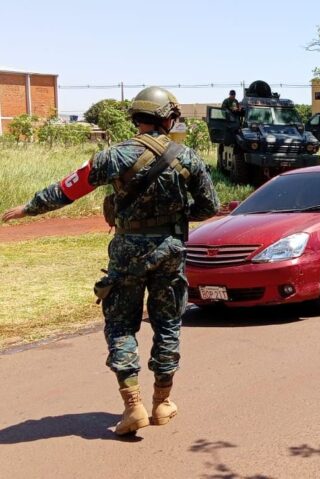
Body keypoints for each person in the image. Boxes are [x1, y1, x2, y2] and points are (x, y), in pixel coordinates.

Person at [1, 86, 220, 436]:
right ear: (168, 118)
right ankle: (163, 403)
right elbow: (210, 206)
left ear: (136, 117)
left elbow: (68, 188)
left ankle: (133, 406)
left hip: (126, 253)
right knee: (167, 324)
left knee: (120, 326)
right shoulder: (188, 158)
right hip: (171, 252)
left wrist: (29, 208)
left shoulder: (113, 156)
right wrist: (175, 217)